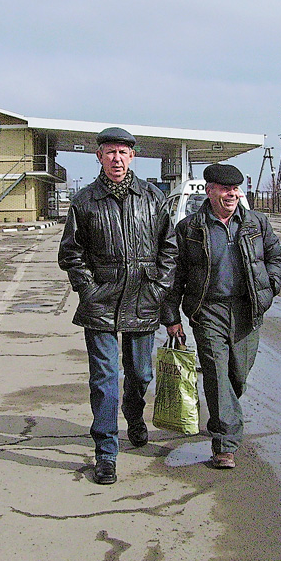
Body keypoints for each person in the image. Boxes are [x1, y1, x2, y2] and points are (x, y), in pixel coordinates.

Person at [58, 127, 177, 485]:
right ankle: (106, 452)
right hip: (101, 305)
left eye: (123, 153)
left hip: (143, 300)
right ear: (99, 157)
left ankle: (134, 413)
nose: (117, 160)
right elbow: (71, 254)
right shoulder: (85, 201)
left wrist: (157, 289)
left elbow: (169, 250)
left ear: (133, 157)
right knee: (106, 380)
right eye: (110, 153)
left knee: (140, 374)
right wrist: (89, 291)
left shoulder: (153, 198)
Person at [162, 163, 281, 469]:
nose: (232, 194)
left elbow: (275, 257)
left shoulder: (257, 223)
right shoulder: (190, 228)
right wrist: (171, 316)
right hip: (209, 310)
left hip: (247, 310)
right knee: (216, 375)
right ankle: (225, 444)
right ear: (210, 190)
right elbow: (176, 275)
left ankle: (225, 417)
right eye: (225, 189)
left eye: (235, 189)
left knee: (237, 376)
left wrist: (269, 289)